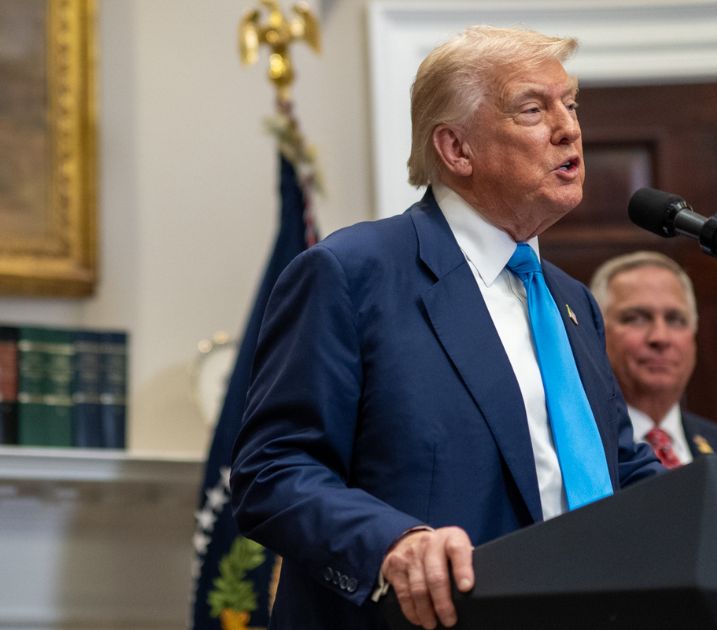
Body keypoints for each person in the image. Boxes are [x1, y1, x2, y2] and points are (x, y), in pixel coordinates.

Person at [230, 26, 662, 630]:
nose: (569, 128)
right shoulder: (353, 275)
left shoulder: (572, 303)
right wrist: (392, 543)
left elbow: (616, 471)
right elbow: (272, 472)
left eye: (571, 105)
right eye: (533, 109)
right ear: (457, 149)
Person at [590, 251, 717, 466]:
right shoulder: (582, 449)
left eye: (675, 319)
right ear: (596, 331)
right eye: (636, 318)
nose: (660, 337)